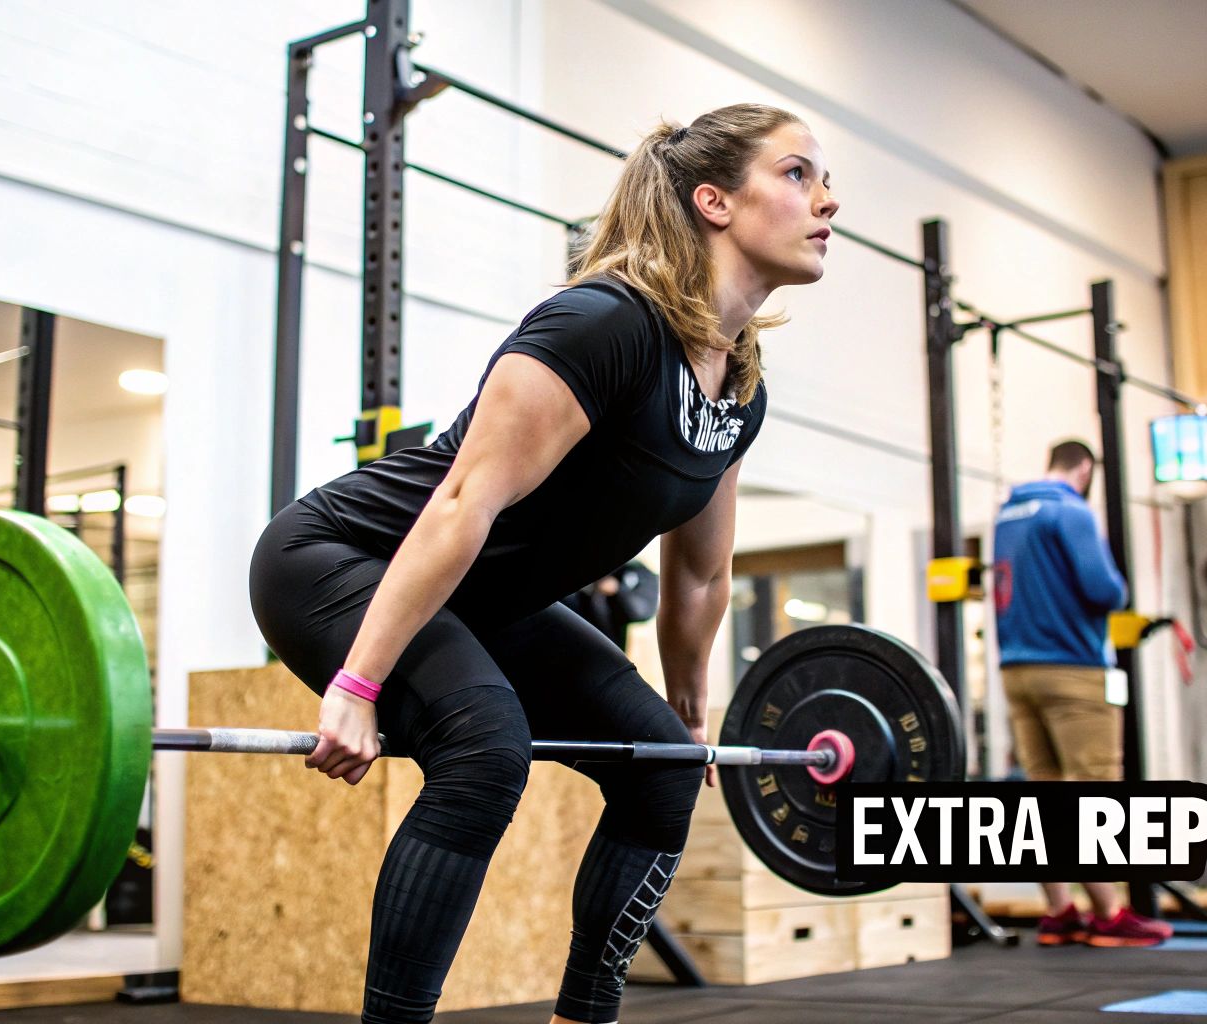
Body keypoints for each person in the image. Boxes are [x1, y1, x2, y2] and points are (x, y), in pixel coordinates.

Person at [251, 103, 837, 1024]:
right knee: (487, 749)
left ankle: (583, 1016)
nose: (827, 201)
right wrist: (358, 685)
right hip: (341, 563)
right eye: (799, 174)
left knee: (661, 769)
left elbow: (698, 576)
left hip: (487, 598)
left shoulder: (739, 388)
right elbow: (462, 503)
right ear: (714, 200)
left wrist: (687, 714)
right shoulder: (600, 324)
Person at [992, 440, 1173, 948]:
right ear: (1086, 468)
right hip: (1072, 670)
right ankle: (1110, 913)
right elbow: (1105, 590)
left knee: (1043, 792)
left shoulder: (1009, 513)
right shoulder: (1070, 510)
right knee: (1095, 792)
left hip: (1017, 670)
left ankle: (1059, 911)